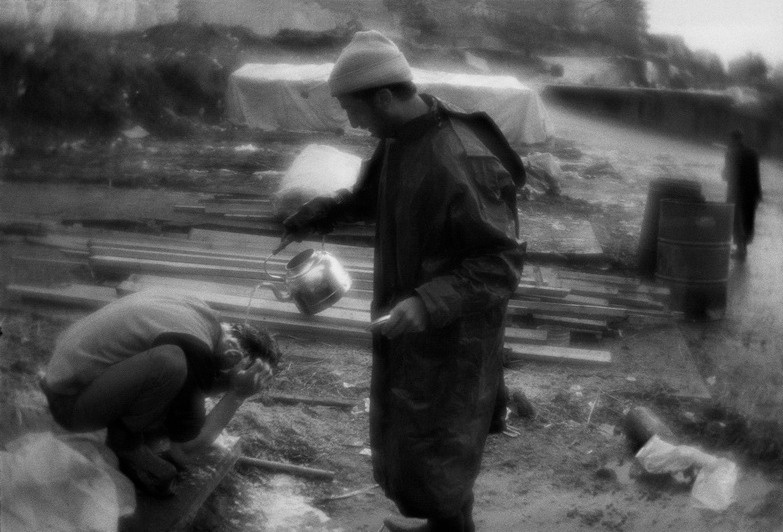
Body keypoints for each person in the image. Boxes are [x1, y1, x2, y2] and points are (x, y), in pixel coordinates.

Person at [282, 30, 526, 532]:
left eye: (355, 111)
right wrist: (320, 214)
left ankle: (450, 527)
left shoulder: (460, 159)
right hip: (412, 320)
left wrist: (427, 301)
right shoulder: (400, 141)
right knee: (414, 436)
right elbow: (371, 197)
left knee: (444, 442)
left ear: (386, 96)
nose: (353, 122)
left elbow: (500, 262)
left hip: (453, 335)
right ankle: (438, 525)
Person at [40, 290, 281, 497]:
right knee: (170, 363)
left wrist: (225, 384)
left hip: (66, 378)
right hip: (70, 406)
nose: (220, 385)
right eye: (226, 378)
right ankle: (126, 447)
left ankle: (128, 434)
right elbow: (184, 450)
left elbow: (195, 387)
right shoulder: (194, 349)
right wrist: (236, 395)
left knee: (172, 373)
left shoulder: (200, 314)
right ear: (233, 357)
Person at [722, 130, 762, 259]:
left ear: (733, 139)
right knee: (748, 221)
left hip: (737, 193)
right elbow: (756, 175)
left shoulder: (732, 153)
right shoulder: (753, 153)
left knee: (737, 221)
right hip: (751, 193)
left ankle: (741, 251)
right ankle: (743, 250)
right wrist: (758, 193)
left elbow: (726, 175)